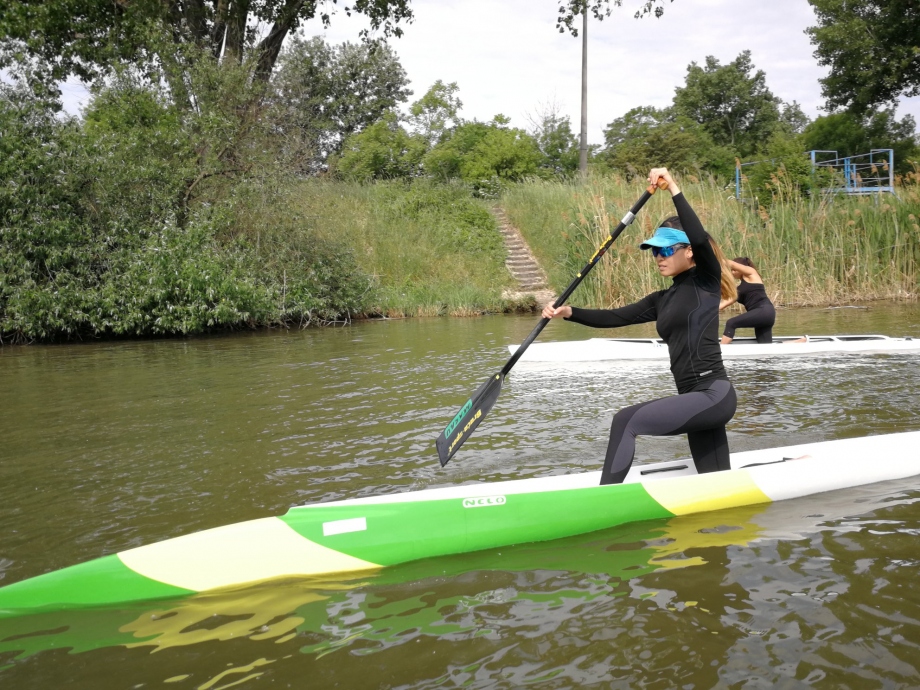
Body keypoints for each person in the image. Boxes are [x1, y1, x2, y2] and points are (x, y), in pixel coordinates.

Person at [542, 168, 738, 485]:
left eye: (665, 250)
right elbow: (615, 317)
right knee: (716, 486)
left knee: (626, 420)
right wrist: (568, 312)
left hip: (712, 395)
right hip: (693, 399)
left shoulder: (706, 282)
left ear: (688, 252)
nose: (658, 257)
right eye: (654, 251)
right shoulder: (662, 299)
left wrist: (673, 185)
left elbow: (699, 236)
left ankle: (605, 500)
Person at [719, 258, 777, 344]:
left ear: (741, 268)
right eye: (731, 270)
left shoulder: (751, 274)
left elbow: (731, 263)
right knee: (766, 347)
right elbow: (721, 306)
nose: (732, 272)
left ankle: (721, 349)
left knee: (731, 323)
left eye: (734, 270)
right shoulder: (738, 291)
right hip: (765, 316)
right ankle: (800, 342)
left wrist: (714, 258)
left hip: (763, 311)